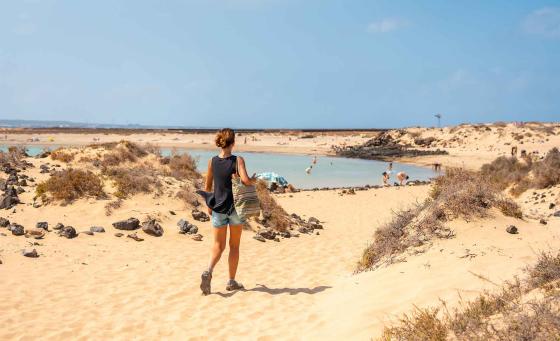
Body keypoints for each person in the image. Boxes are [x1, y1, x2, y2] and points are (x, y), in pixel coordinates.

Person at [199, 128, 255, 295]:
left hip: (218, 208)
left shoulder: (212, 161)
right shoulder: (238, 160)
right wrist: (253, 180)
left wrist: (209, 206)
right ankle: (231, 281)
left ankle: (208, 271)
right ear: (233, 143)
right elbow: (245, 181)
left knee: (218, 245)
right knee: (234, 246)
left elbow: (208, 186)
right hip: (235, 209)